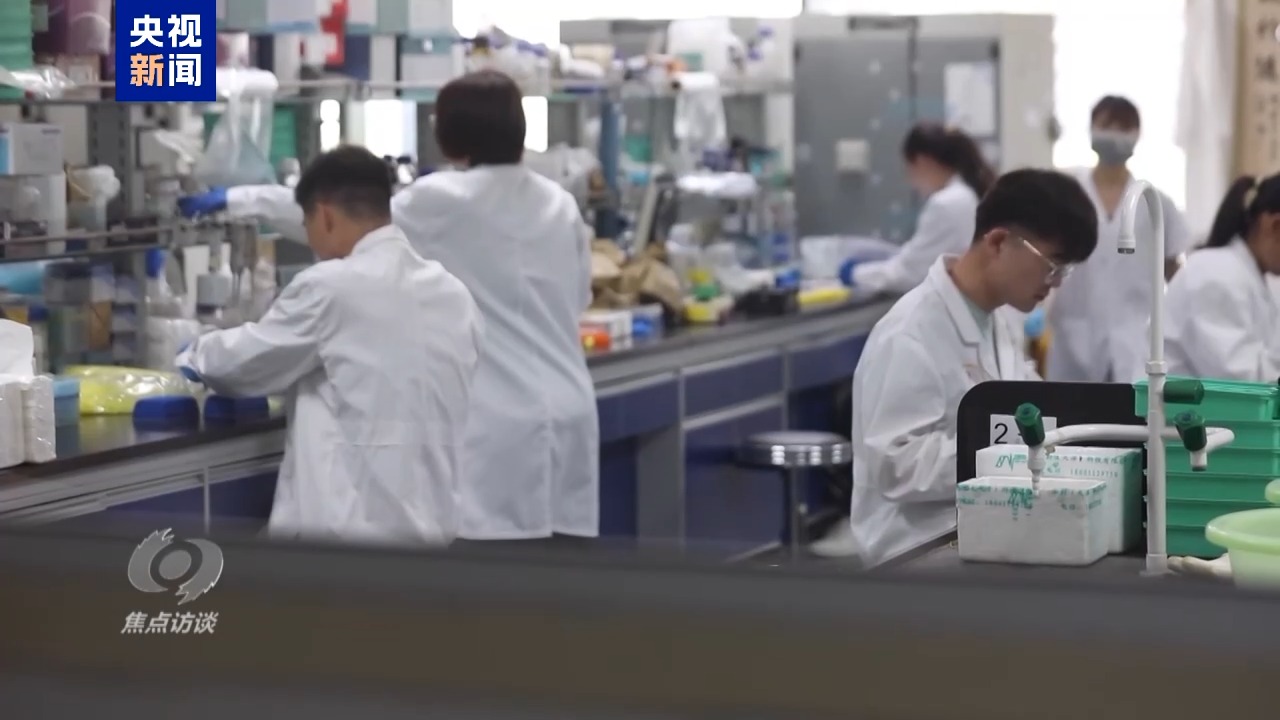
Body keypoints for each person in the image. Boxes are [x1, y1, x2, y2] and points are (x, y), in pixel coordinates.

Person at [177, 70, 600, 544]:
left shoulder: (443, 198)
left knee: (496, 574)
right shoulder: (559, 203)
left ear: (453, 131)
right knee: (556, 576)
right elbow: (579, 298)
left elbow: (351, 215)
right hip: (571, 411)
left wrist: (237, 198)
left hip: (498, 426)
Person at [175, 145, 484, 545]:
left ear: (324, 216)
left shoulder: (331, 287)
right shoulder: (453, 293)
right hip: (435, 533)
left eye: (307, 226)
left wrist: (193, 354)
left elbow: (245, 363)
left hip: (347, 540)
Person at [846, 169, 1098, 568]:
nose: (1055, 283)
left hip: (980, 531)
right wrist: (1000, 453)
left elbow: (1032, 406)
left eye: (1063, 271)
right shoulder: (910, 333)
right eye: (1052, 265)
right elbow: (895, 466)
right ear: (998, 242)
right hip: (915, 551)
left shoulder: (995, 321)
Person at [1045, 96, 1191, 384]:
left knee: (1131, 407)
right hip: (1074, 333)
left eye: (1123, 127)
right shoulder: (1065, 194)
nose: (1113, 134)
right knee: (1068, 408)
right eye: (1106, 125)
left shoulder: (1155, 202)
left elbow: (1174, 271)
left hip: (1136, 334)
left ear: (1137, 135)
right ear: (1091, 129)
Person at [839, 123, 997, 295]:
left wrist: (854, 274)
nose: (911, 182)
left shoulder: (946, 203)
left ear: (922, 162)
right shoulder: (968, 193)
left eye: (909, 171)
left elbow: (910, 273)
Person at [1164, 174, 1280, 380]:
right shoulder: (1215, 273)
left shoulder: (1252, 278)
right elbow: (1241, 378)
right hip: (1175, 401)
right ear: (1274, 225)